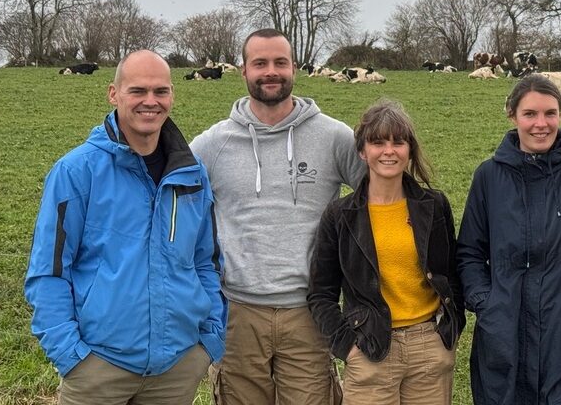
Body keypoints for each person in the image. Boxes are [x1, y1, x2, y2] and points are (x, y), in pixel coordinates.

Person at [24, 50, 226, 405]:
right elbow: (49, 271)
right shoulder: (76, 172)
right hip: (97, 368)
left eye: (161, 91)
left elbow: (205, 261)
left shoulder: (192, 175)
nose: (151, 101)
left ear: (172, 96)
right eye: (138, 91)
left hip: (176, 368)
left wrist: (208, 339)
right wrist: (71, 356)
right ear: (113, 94)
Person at [191, 28, 366, 405]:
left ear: (294, 69)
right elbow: (171, 202)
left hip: (308, 311)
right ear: (243, 71)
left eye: (280, 63)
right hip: (236, 313)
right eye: (260, 63)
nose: (271, 72)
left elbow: (383, 194)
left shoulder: (334, 137)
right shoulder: (212, 145)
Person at [456, 75, 561, 405]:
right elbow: (469, 253)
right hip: (504, 336)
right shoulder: (489, 177)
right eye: (530, 114)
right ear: (512, 115)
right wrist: (487, 303)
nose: (541, 124)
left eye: (550, 113)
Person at [307, 99, 465, 405]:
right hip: (370, 348)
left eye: (398, 142)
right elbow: (320, 293)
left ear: (409, 150)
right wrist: (347, 346)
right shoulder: (341, 215)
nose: (388, 151)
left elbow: (452, 274)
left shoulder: (434, 206)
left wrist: (450, 331)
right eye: (378, 142)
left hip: (428, 347)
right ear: (362, 152)